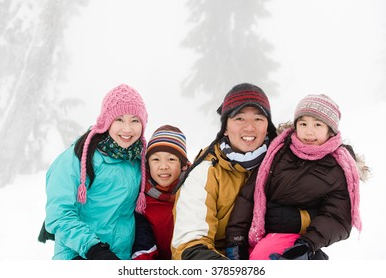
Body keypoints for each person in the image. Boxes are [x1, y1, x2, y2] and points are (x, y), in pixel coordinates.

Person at [227, 93, 369, 260]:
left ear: (330, 131)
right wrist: (235, 239)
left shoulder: (338, 167)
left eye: (317, 124)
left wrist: (307, 245)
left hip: (300, 239)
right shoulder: (278, 152)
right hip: (257, 233)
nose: (309, 132)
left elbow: (337, 216)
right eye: (303, 124)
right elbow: (249, 196)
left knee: (264, 256)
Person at [170, 82, 280, 260]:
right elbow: (189, 243)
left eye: (258, 119)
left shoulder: (281, 164)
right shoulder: (205, 171)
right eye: (239, 118)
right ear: (225, 128)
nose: (250, 127)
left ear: (267, 126)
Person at [43, 84, 148, 260]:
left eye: (135, 120)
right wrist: (93, 249)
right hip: (79, 255)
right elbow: (59, 214)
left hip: (120, 257)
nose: (127, 129)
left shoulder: (138, 160)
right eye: (119, 120)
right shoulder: (79, 157)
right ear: (107, 121)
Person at [132, 125, 190, 260]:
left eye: (171, 159)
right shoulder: (141, 199)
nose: (163, 166)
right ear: (147, 164)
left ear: (184, 165)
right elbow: (141, 246)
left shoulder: (193, 192)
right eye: (156, 159)